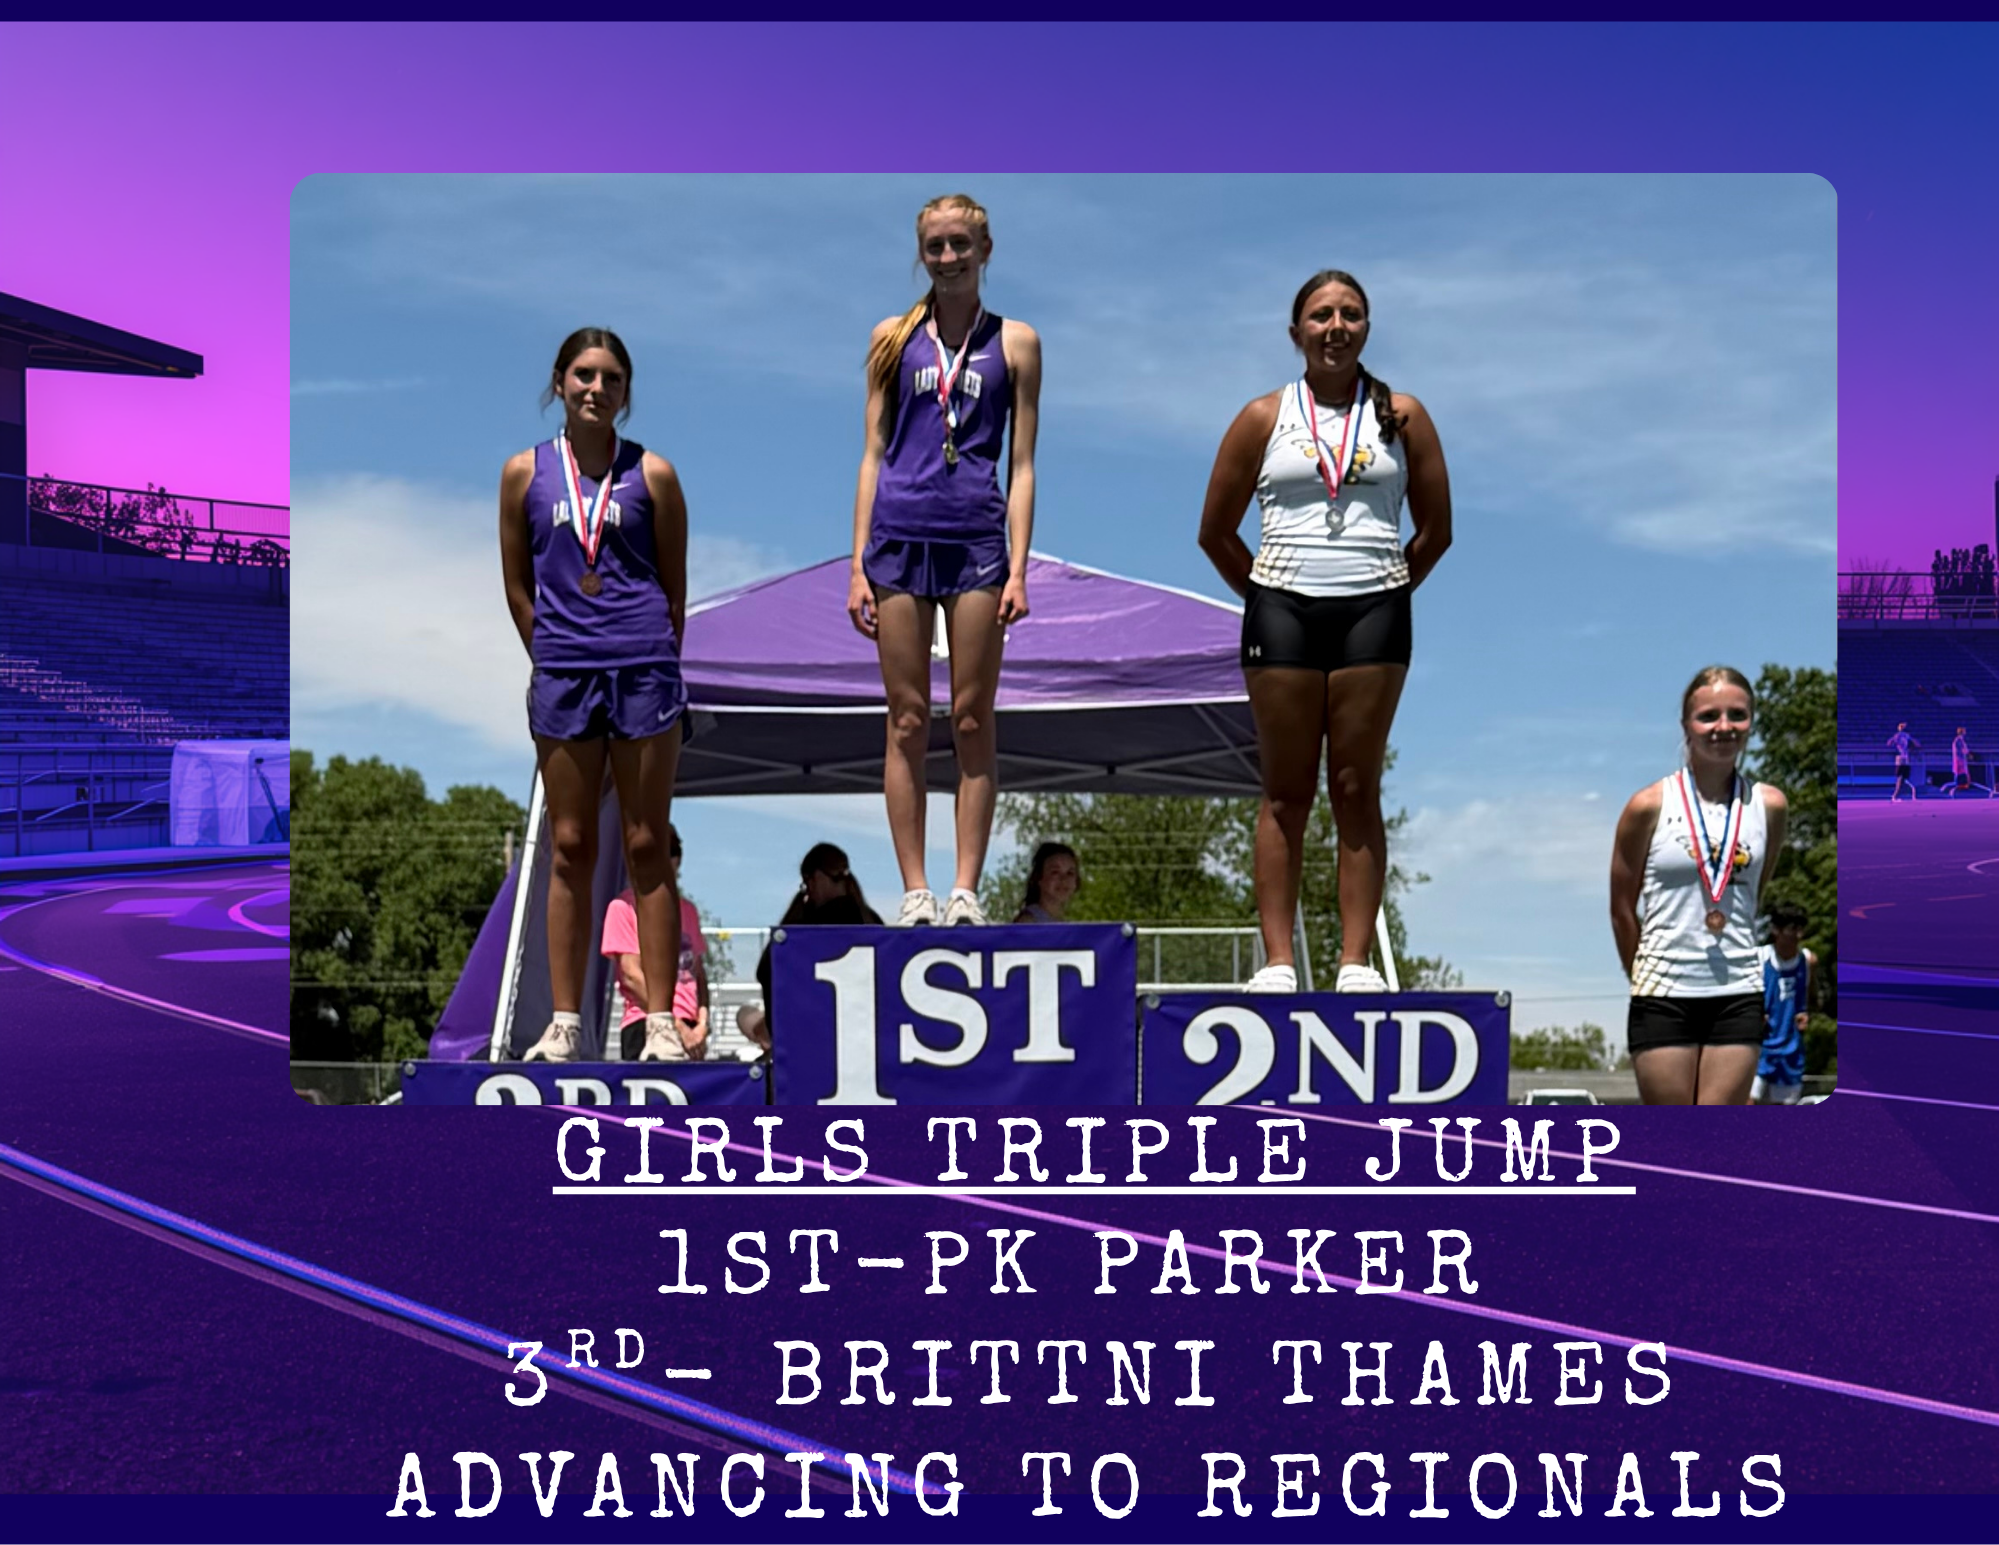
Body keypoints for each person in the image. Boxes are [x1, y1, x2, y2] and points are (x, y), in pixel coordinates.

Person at [1197, 269, 1452, 993]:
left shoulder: (1402, 415)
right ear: (1295, 332)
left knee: (1353, 783)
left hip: (1373, 608)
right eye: (1319, 315)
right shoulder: (1261, 417)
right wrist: (1268, 593)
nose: (1334, 326)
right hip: (1280, 608)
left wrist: (1385, 585)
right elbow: (1214, 532)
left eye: (1349, 314)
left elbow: (1436, 532)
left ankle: (1353, 961)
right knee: (1285, 790)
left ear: (1366, 327)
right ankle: (1278, 960)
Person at [847, 193, 1042, 928]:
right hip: (899, 534)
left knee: (968, 715)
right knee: (903, 717)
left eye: (961, 244)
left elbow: (1021, 463)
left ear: (985, 250)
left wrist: (1018, 566)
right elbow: (871, 452)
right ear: (920, 252)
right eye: (935, 245)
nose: (948, 257)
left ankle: (964, 887)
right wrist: (857, 563)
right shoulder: (890, 338)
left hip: (976, 540)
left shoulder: (1015, 342)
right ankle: (915, 890)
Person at [499, 327, 689, 1062]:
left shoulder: (655, 475)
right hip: (565, 675)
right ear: (558, 380)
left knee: (647, 845)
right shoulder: (523, 473)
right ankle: (566, 1022)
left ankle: (662, 1024)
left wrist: (655, 660)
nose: (595, 389)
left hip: (643, 668)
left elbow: (673, 589)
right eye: (583, 374)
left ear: (625, 393)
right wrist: (549, 655)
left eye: (611, 378)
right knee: (571, 846)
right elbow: (518, 587)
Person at [1610, 666, 1790, 1105]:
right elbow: (1620, 907)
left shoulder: (1769, 805)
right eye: (1708, 716)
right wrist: (1643, 976)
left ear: (1751, 722)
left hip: (1739, 993)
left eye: (1737, 715)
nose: (1723, 727)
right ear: (1686, 725)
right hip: (1664, 992)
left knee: (1718, 1139)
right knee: (1673, 1143)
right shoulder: (1648, 805)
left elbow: (1751, 895)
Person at [736, 843, 884, 1053]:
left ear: (816, 878)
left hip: (806, 1036)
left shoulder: (803, 928)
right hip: (865, 1036)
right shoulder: (873, 923)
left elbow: (766, 969)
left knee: (745, 1015)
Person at [600, 823, 709, 1061]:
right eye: (653, 851)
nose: (666, 859)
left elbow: (698, 974)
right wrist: (677, 1025)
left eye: (672, 850)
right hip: (645, 1021)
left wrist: (702, 1024)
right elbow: (631, 974)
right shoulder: (623, 907)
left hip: (690, 1028)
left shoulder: (688, 911)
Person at [1751, 901, 1813, 1105]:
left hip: (1790, 1050)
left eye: (1800, 929)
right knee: (1745, 1101)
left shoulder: (1807, 961)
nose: (1797, 936)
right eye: (1792, 929)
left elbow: (1811, 999)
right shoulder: (1760, 958)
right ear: (1776, 930)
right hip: (1759, 1047)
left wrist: (1805, 1012)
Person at [1013, 841, 1080, 922]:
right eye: (1055, 872)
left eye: (1070, 873)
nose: (1063, 879)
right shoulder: (1028, 922)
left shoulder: (1062, 923)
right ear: (1039, 878)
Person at [1887, 722, 1920, 801]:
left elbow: (1889, 743)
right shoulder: (1901, 736)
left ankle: (1898, 794)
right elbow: (1915, 744)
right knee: (1901, 777)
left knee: (1903, 777)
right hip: (1902, 758)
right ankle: (1896, 795)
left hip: (1903, 758)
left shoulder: (1902, 735)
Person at [1949, 726, 1973, 795]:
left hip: (1961, 759)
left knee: (1963, 772)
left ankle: (1963, 784)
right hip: (1959, 759)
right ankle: (1958, 785)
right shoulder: (1958, 741)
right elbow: (1961, 751)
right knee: (1959, 772)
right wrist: (1966, 754)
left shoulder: (1961, 740)